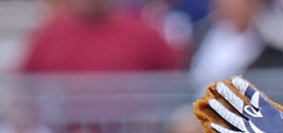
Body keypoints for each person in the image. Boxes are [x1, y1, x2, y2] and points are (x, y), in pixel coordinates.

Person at [20, 0, 183, 72]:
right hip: (61, 131)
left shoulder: (145, 34)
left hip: (130, 131)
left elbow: (176, 78)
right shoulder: (49, 35)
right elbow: (25, 85)